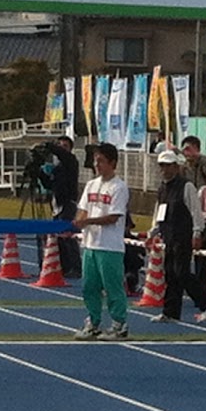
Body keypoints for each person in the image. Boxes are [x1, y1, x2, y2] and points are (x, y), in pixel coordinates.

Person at [151, 148, 206, 324]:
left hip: (183, 235)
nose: (164, 170)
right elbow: (159, 212)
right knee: (171, 274)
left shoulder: (186, 186)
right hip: (168, 235)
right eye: (161, 166)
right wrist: (153, 232)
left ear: (175, 166)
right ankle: (171, 312)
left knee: (182, 272)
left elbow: (195, 211)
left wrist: (197, 232)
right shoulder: (162, 188)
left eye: (167, 166)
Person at [73, 143, 131, 340]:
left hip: (110, 246)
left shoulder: (119, 187)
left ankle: (119, 324)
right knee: (89, 286)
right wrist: (79, 221)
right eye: (96, 160)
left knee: (112, 286)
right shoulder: (91, 184)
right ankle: (93, 321)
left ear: (112, 163)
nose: (97, 164)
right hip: (90, 244)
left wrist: (87, 221)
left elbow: (113, 216)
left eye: (101, 161)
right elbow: (83, 208)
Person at [49, 135, 81, 279]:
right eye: (60, 146)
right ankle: (64, 266)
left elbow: (64, 155)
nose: (62, 149)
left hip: (68, 203)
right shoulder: (58, 168)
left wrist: (52, 147)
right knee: (58, 237)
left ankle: (75, 267)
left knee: (68, 236)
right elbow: (49, 185)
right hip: (57, 203)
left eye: (65, 146)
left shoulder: (72, 162)